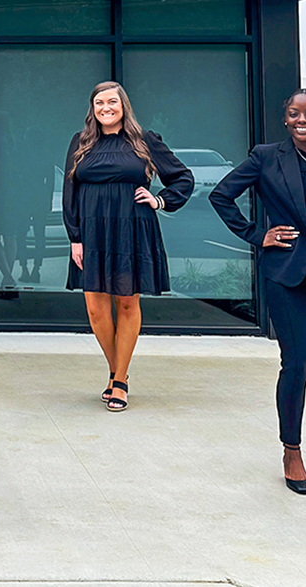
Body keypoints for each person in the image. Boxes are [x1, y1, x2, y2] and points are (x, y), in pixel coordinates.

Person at [209, 88, 306, 495]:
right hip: (286, 275)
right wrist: (257, 234)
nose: (302, 119)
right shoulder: (266, 157)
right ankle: (292, 450)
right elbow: (221, 195)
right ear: (286, 119)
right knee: (296, 363)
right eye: (295, 113)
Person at [62, 81, 194, 412]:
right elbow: (70, 193)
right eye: (99, 103)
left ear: (124, 105)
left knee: (125, 303)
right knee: (95, 309)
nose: (106, 108)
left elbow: (182, 178)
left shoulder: (144, 141)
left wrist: (160, 200)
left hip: (131, 228)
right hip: (91, 231)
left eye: (112, 102)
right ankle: (115, 370)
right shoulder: (80, 143)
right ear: (92, 109)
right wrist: (74, 237)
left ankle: (119, 381)